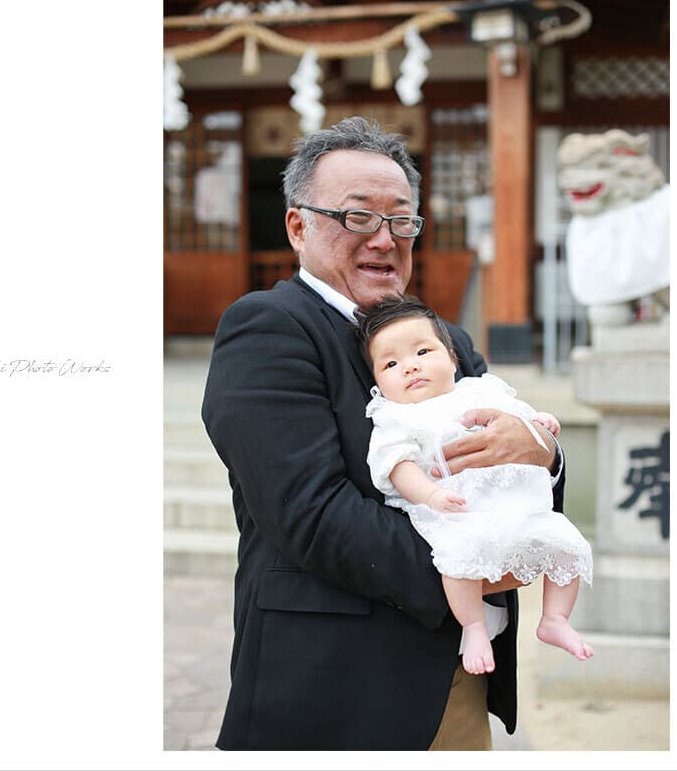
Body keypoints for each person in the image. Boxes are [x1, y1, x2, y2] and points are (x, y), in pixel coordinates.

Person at [201, 116, 565, 750]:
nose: (384, 238)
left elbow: (513, 453)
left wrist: (544, 450)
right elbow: (312, 513)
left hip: (456, 678)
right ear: (298, 225)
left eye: (402, 220)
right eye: (358, 217)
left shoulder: (444, 340)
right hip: (333, 681)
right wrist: (478, 571)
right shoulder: (267, 329)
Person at [360, 296, 593, 676]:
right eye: (390, 363)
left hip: (518, 504)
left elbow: (523, 419)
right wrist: (432, 495)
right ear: (377, 381)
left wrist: (543, 423)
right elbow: (397, 465)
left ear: (452, 359)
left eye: (422, 351)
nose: (410, 367)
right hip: (458, 510)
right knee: (459, 560)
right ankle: (474, 627)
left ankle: (555, 619)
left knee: (568, 546)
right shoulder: (397, 417)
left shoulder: (481, 390)